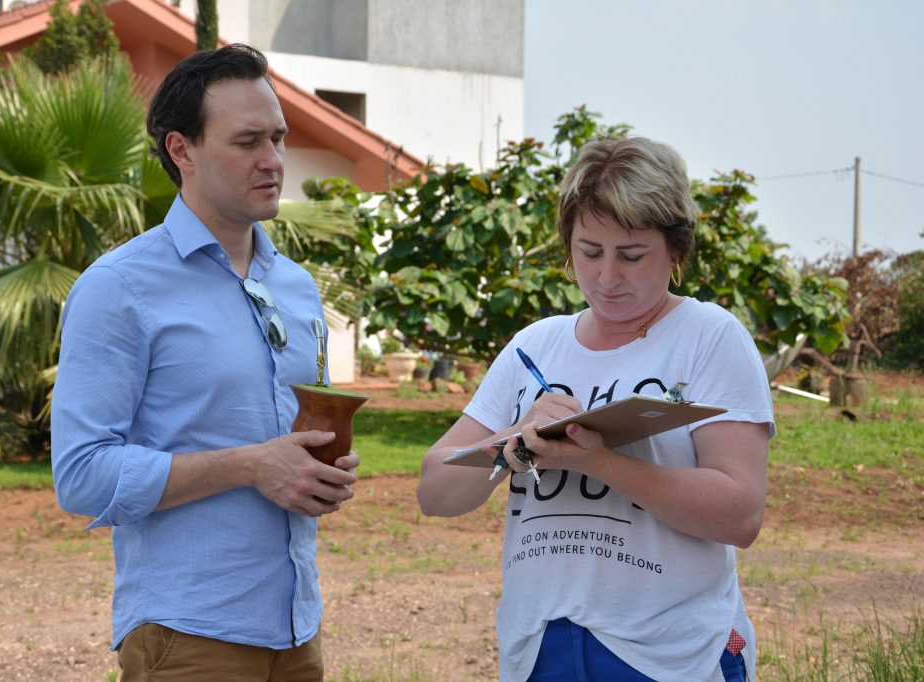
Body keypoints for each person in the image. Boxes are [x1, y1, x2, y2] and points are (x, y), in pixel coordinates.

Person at [51, 44, 359, 681]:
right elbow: (80, 475)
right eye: (248, 141)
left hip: (297, 628)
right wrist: (252, 465)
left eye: (278, 138)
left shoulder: (297, 287)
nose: (273, 160)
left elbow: (297, 438)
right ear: (181, 150)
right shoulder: (119, 287)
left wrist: (317, 472)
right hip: (187, 634)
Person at [418, 137, 774, 681]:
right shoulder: (534, 345)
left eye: (631, 256)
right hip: (539, 648)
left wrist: (599, 461)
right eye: (589, 252)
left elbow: (740, 515)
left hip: (668, 656)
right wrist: (514, 437)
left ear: (675, 250)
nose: (607, 277)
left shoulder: (709, 337)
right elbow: (434, 491)